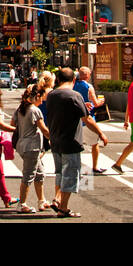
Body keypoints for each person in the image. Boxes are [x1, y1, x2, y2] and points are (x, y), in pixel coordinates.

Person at [44, 68, 107, 218]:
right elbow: (87, 119)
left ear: (58, 80)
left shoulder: (51, 95)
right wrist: (101, 133)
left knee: (60, 172)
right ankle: (63, 208)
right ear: (74, 80)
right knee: (71, 174)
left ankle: (57, 199)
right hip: (70, 141)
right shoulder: (74, 95)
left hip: (55, 140)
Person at [12, 84, 51, 213]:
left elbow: (13, 124)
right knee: (28, 175)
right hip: (31, 147)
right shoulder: (34, 110)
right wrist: (55, 138)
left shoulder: (21, 108)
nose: (42, 101)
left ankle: (42, 201)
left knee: (39, 174)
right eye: (42, 97)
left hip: (22, 145)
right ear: (37, 96)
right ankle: (22, 204)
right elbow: (44, 129)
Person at [74, 66, 106, 174]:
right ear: (87, 75)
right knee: (94, 144)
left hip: (75, 119)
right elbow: (95, 103)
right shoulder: (88, 86)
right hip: (88, 119)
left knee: (76, 145)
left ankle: (75, 167)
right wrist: (101, 102)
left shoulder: (73, 85)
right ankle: (95, 166)